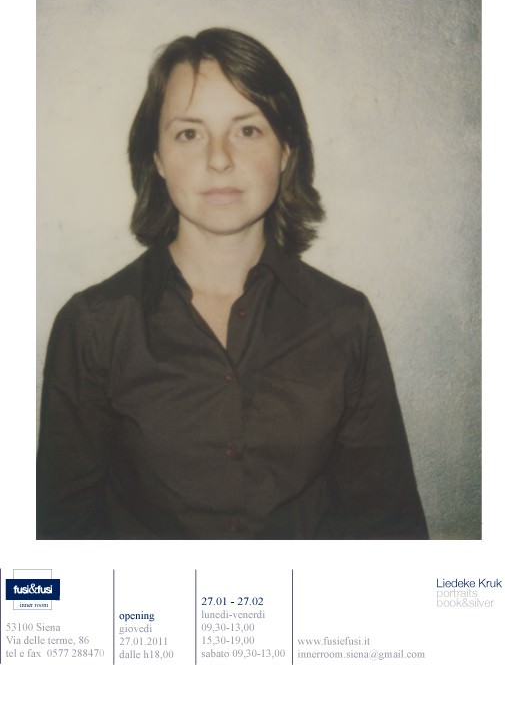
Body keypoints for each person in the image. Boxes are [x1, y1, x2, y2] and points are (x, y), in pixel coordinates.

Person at [37, 27, 428, 540]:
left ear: (286, 148)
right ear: (156, 158)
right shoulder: (94, 326)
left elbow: (386, 530)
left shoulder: (344, 321)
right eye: (189, 134)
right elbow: (59, 537)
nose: (219, 159)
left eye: (247, 130)